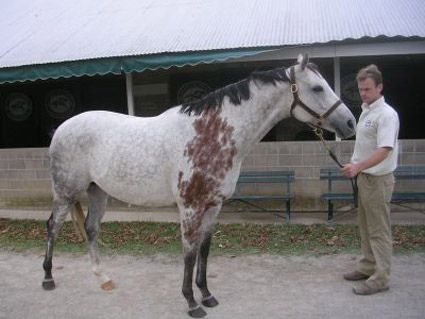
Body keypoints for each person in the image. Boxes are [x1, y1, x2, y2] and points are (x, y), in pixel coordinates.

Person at [341, 64, 399, 295]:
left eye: (367, 89)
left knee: (379, 230)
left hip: (378, 180)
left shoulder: (387, 115)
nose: (363, 94)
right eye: (361, 89)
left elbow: (385, 149)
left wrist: (357, 167)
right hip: (365, 177)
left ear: (380, 87)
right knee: (365, 227)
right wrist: (357, 166)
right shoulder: (367, 111)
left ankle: (381, 278)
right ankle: (367, 266)